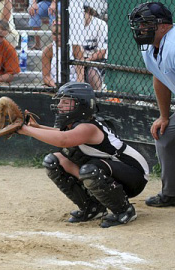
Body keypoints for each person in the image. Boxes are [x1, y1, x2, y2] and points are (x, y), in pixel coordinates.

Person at [17, 82, 149, 228]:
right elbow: (63, 134)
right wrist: (36, 128)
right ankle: (92, 208)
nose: (60, 105)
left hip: (134, 174)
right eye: (60, 101)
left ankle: (124, 210)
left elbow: (63, 140)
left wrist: (24, 129)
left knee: (90, 170)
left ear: (81, 105)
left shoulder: (88, 127)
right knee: (54, 161)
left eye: (66, 102)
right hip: (112, 171)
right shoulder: (78, 125)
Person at [128, 1, 175, 207]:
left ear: (163, 25)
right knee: (165, 136)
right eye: (139, 24)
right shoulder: (150, 47)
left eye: (145, 24)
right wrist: (164, 116)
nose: (141, 29)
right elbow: (159, 77)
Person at [73, 5, 108, 90]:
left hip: (94, 60)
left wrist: (85, 61)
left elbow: (101, 52)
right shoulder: (73, 25)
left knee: (92, 73)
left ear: (88, 11)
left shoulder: (100, 24)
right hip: (76, 59)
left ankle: (97, 96)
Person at [41, 22, 79, 88]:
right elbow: (46, 76)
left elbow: (80, 74)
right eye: (55, 34)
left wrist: (77, 86)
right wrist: (55, 86)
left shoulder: (75, 48)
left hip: (73, 84)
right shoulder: (48, 50)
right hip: (54, 84)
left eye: (61, 34)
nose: (58, 37)